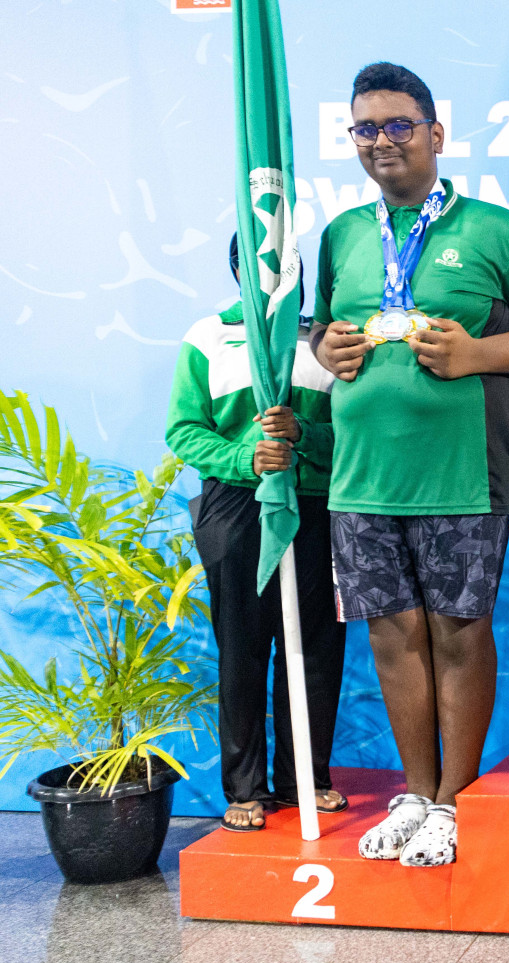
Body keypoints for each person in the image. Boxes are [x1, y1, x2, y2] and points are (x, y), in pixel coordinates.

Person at [310, 62, 509, 866]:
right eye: (366, 128)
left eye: (398, 125)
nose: (382, 142)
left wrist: (475, 356)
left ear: (434, 133)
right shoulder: (341, 235)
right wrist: (326, 346)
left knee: (459, 633)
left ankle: (457, 804)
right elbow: (320, 333)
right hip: (362, 477)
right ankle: (417, 791)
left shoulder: (493, 229)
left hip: (463, 471)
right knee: (392, 637)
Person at [166, 235, 346, 833]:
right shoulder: (208, 337)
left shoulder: (325, 340)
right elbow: (184, 431)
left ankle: (308, 777)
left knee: (317, 647)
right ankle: (245, 787)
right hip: (235, 506)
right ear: (238, 266)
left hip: (316, 502)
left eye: (285, 263)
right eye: (262, 263)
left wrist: (304, 441)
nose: (274, 275)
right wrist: (248, 458)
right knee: (243, 646)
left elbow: (350, 434)